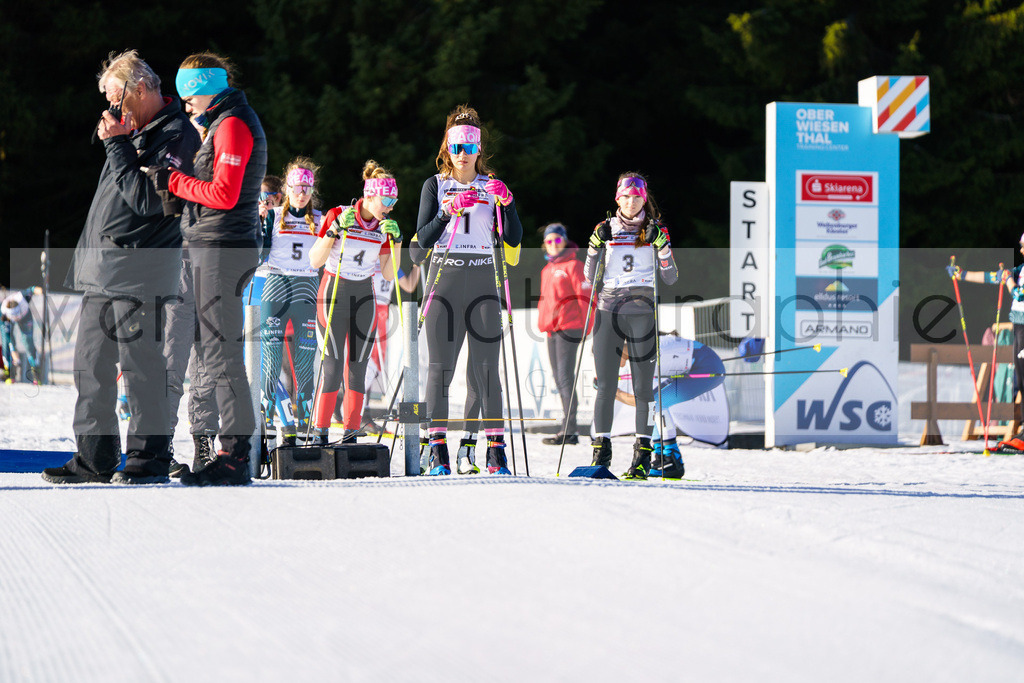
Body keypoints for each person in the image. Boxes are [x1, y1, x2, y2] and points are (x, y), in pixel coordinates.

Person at [42, 50, 201, 485]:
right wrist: (120, 141)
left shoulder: (177, 135)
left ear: (143, 88)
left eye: (117, 97)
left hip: (142, 268)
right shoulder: (134, 132)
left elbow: (149, 202)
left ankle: (148, 460)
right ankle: (94, 459)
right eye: (109, 100)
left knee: (141, 367)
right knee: (90, 366)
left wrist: (116, 143)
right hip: (105, 266)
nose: (113, 108)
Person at [153, 51, 268, 486]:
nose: (186, 107)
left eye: (188, 98)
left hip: (223, 248)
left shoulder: (234, 123)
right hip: (214, 245)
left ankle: (235, 456)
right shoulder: (223, 122)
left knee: (222, 354)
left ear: (205, 90)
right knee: (220, 353)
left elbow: (224, 194)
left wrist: (173, 180)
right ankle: (231, 453)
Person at [415, 106, 524, 475]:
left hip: (482, 280)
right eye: (456, 146)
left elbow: (513, 238)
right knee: (440, 369)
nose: (463, 154)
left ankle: (495, 451)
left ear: (479, 149)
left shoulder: (492, 186)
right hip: (444, 278)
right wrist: (446, 212)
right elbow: (422, 241)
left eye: (470, 146)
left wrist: (508, 203)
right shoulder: (435, 185)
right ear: (448, 148)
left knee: (486, 369)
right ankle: (438, 451)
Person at [584, 172, 678, 479]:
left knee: (642, 388)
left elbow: (670, 277)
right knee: (605, 386)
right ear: (618, 198)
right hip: (608, 310)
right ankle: (600, 451)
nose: (631, 202)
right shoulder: (605, 228)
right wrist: (594, 247)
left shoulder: (655, 229)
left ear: (644, 199)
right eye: (626, 196)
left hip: (641, 311)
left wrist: (662, 248)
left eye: (637, 197)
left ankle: (643, 455)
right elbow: (589, 276)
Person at [308, 160, 402, 443]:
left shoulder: (383, 227)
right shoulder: (339, 213)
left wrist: (397, 241)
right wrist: (334, 229)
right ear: (370, 195)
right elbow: (315, 260)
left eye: (394, 201)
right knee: (332, 368)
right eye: (387, 200)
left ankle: (351, 432)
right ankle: (320, 432)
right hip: (334, 292)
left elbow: (389, 273)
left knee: (358, 369)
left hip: (364, 296)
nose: (391, 207)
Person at [260, 158, 322, 446]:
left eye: (307, 188)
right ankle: (268, 426)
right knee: (271, 363)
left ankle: (304, 427)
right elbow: (260, 254)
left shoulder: (320, 219)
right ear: (286, 188)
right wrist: (259, 224)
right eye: (297, 187)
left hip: (306, 290)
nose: (302, 193)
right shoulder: (273, 215)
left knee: (305, 364)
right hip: (276, 288)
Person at [613, 333, 726, 478]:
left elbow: (642, 401)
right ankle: (662, 458)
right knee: (654, 404)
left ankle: (671, 459)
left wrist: (614, 392)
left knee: (655, 402)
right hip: (698, 363)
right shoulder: (639, 353)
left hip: (708, 367)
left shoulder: (646, 357)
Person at [947, 248, 1024, 450]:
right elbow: (992, 277)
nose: (1021, 249)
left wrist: (1009, 281)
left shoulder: (1015, 275)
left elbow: (1019, 294)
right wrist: (962, 274)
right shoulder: (1020, 270)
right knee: (1021, 381)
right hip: (1019, 326)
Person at [537, 223, 593, 446]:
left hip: (570, 327)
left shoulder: (574, 265)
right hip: (552, 330)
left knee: (565, 377)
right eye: (549, 241)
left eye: (557, 240)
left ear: (565, 241)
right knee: (559, 378)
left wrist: (587, 327)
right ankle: (568, 428)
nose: (553, 244)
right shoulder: (546, 269)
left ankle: (569, 429)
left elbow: (586, 298)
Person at [1, 287, 42, 384]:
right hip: (8, 320)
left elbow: (32, 289)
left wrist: (40, 291)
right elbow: (8, 337)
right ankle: (10, 372)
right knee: (7, 342)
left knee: (28, 342)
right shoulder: (3, 312)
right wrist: (13, 351)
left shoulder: (22, 298)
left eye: (16, 315)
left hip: (25, 317)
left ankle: (35, 372)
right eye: (13, 316)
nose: (16, 318)